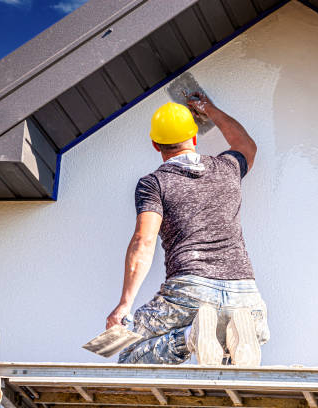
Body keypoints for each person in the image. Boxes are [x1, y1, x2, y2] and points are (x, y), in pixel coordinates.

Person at [106, 92, 269, 366]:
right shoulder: (227, 168)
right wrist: (209, 108)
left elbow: (143, 242)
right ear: (194, 138)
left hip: (190, 292)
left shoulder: (154, 183)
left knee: (130, 356)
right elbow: (246, 145)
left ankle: (190, 336)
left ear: (156, 145)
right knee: (228, 362)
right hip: (245, 293)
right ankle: (239, 335)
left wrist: (125, 303)